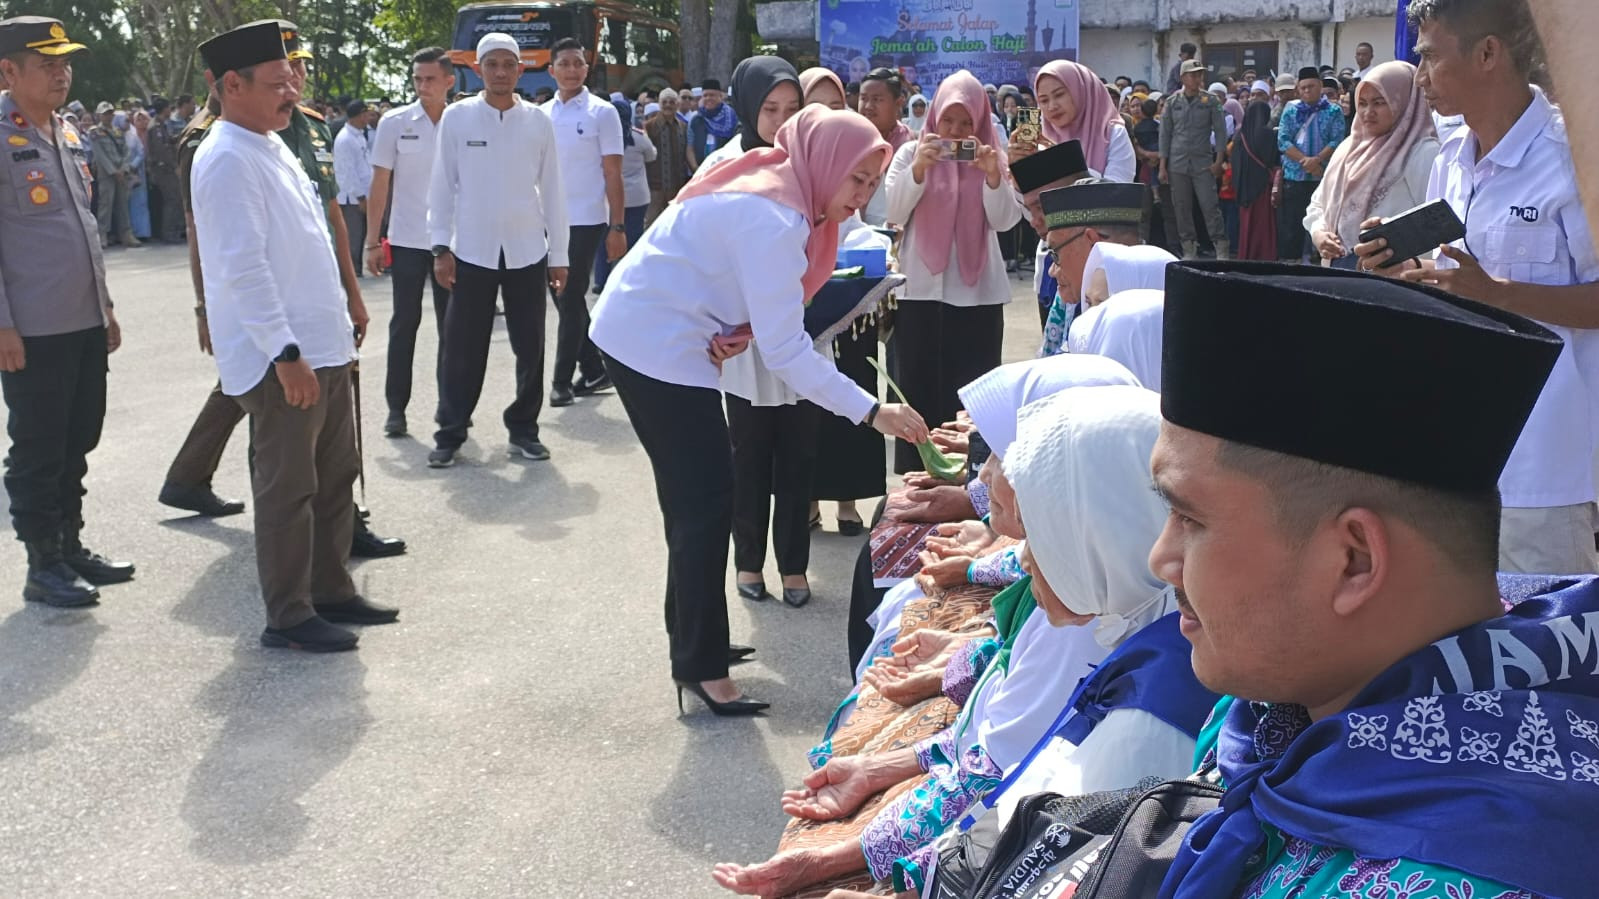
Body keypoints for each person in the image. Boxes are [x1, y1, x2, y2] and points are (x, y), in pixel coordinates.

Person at [1134, 259, 1597, 899]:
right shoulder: (1279, 704)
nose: (1161, 558)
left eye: (1189, 517)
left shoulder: (1477, 866)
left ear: (1353, 561)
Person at [712, 384, 1216, 899]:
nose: (1017, 559)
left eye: (1040, 536)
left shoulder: (1150, 697)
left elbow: (1040, 849)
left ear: (1101, 535)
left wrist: (855, 865)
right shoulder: (1134, 625)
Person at [589, 106, 929, 715]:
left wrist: (730, 322)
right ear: (824, 163)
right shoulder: (775, 217)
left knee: (700, 498)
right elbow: (786, 351)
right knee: (704, 502)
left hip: (667, 333)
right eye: (855, 179)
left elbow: (719, 276)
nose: (861, 196)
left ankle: (698, 641)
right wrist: (872, 411)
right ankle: (699, 664)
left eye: (872, 184)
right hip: (651, 341)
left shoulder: (781, 187)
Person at [1355, 0, 1599, 576]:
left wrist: (1497, 292)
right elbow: (1458, 287)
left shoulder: (1572, 163)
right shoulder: (1452, 161)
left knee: (1549, 650)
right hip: (1463, 451)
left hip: (1548, 468)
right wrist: (1404, 270)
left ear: (1488, 53)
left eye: (1432, 57)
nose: (1420, 77)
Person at [191, 20, 398, 652]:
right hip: (286, 357)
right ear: (232, 84)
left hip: (323, 342)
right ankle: (288, 614)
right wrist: (286, 355)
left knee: (335, 477)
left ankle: (331, 588)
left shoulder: (272, 141)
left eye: (294, 79)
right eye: (279, 83)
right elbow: (243, 268)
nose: (293, 91)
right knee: (288, 489)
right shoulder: (225, 156)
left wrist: (341, 315)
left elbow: (306, 245)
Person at [0, 16, 132, 608]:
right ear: (8, 71)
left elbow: (82, 230)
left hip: (81, 318)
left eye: (65, 62)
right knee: (39, 445)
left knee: (78, 435)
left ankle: (71, 545)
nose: (61, 73)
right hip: (31, 326)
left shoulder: (69, 131)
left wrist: (104, 307)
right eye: (47, 64)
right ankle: (42, 563)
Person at [698, 57, 817, 608]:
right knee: (747, 460)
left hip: (803, 329)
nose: (782, 121)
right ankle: (748, 563)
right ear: (748, 105)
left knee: (798, 458)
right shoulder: (724, 164)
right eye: (771, 109)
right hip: (742, 337)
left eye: (793, 109)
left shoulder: (812, 159)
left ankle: (795, 566)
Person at [427, 32, 569, 469]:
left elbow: (554, 191)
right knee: (462, 347)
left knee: (530, 345)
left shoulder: (538, 121)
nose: (502, 72)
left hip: (528, 250)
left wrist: (559, 254)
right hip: (471, 250)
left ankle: (524, 428)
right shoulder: (458, 118)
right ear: (477, 69)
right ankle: (451, 431)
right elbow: (441, 186)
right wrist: (439, 247)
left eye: (509, 64)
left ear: (521, 69)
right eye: (493, 65)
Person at [884, 71, 1021, 474]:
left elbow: (1006, 221)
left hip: (977, 295)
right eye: (948, 122)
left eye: (966, 124)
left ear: (980, 122)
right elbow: (893, 211)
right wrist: (920, 171)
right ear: (934, 119)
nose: (956, 132)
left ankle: (970, 479)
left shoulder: (991, 157)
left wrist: (994, 176)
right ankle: (916, 477)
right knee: (917, 389)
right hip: (921, 294)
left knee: (974, 395)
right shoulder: (910, 154)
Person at [801, 63, 879, 537]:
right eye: (817, 107)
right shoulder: (787, 169)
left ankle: (847, 498)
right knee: (805, 406)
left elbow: (859, 221)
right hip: (804, 311)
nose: (829, 117)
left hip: (851, 304)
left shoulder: (858, 151)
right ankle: (806, 497)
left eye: (837, 107)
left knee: (852, 398)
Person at [363, 47, 451, 438]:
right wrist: (371, 241)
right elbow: (380, 183)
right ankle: (396, 408)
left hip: (452, 241)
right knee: (405, 324)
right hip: (408, 239)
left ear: (449, 80)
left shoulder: (464, 121)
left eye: (430, 78)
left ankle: (451, 407)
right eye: (416, 78)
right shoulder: (394, 122)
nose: (422, 86)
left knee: (453, 329)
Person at [539, 37, 622, 407]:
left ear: (587, 69)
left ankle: (560, 382)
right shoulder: (539, 115)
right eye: (564, 63)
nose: (571, 70)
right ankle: (593, 364)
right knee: (564, 299)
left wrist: (617, 226)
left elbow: (613, 172)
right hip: (544, 219)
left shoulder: (602, 112)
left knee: (569, 294)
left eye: (578, 63)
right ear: (551, 69)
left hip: (586, 219)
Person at [1305, 61, 1438, 271]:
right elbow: (1318, 203)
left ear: (1405, 102)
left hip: (1394, 275)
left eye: (1379, 102)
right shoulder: (1348, 148)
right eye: (1363, 103)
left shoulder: (1423, 153)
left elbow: (1437, 224)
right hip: (1337, 265)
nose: (1368, 112)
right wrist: (1319, 233)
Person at [1036, 179, 1151, 357]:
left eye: (1056, 254)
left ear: (1093, 242)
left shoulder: (1152, 317)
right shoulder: (1067, 304)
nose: (1052, 271)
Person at [1159, 59, 1229, 260]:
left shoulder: (1211, 100)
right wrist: (1163, 166)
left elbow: (1221, 132)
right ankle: (1189, 248)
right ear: (1183, 77)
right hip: (1177, 163)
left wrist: (1219, 160)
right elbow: (1165, 134)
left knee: (1210, 205)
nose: (1197, 78)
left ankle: (1221, 247)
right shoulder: (1172, 103)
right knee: (1181, 207)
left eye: (1200, 74)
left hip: (1203, 163)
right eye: (1193, 74)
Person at [1277, 66, 1348, 261]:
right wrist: (1304, 160)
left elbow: (1337, 140)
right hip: (1295, 176)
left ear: (1320, 86)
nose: (1307, 91)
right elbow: (1283, 141)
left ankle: (1320, 263)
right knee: (1292, 225)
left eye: (1311, 86)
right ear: (1298, 89)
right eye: (1303, 87)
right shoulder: (1291, 110)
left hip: (1322, 177)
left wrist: (1317, 160)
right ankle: (1291, 265)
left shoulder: (1333, 110)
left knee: (1323, 224)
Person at [592, 98, 654, 294]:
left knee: (604, 241)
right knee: (633, 240)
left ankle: (601, 281)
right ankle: (630, 280)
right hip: (636, 197)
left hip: (610, 195)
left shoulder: (603, 137)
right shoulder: (639, 137)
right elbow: (652, 155)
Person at [856, 67, 914, 228]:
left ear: (898, 103)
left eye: (877, 99)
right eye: (863, 98)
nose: (868, 106)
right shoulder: (851, 140)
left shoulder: (908, 147)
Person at [1231, 90, 1280, 260]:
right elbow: (1275, 161)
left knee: (1247, 226)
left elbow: (1235, 166)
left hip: (1245, 191)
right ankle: (1265, 256)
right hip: (1263, 188)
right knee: (1264, 225)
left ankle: (1247, 255)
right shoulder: (1270, 135)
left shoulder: (1239, 137)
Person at [333, 99, 374, 277]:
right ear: (355, 117)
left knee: (361, 235)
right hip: (352, 198)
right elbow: (347, 173)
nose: (367, 118)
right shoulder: (345, 139)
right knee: (353, 236)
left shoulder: (358, 135)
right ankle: (349, 271)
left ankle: (356, 269)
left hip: (364, 193)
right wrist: (360, 197)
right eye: (364, 115)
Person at [89, 100, 138, 248]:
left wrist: (123, 168)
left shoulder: (118, 131)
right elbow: (99, 154)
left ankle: (126, 234)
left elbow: (126, 151)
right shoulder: (95, 132)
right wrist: (113, 170)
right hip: (106, 174)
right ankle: (102, 234)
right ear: (99, 116)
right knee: (105, 204)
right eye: (105, 114)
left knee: (122, 204)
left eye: (110, 113)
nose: (108, 117)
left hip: (121, 172)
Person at [644, 87, 687, 225]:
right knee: (651, 224)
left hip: (677, 185)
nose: (668, 105)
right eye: (664, 102)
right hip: (655, 186)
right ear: (659, 104)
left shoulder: (683, 126)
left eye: (672, 102)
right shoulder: (649, 126)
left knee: (674, 223)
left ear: (677, 104)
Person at [145, 98, 183, 242]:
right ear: (164, 109)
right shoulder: (155, 127)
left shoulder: (162, 125)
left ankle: (174, 231)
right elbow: (161, 150)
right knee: (172, 199)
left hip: (166, 168)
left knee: (174, 199)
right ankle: (169, 233)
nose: (170, 110)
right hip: (163, 169)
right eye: (168, 108)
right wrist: (174, 165)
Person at [687, 77, 735, 171]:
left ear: (720, 96)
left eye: (712, 95)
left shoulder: (732, 117)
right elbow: (690, 148)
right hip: (700, 172)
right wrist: (696, 169)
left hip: (725, 171)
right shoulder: (696, 119)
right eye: (705, 95)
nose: (708, 98)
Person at [125, 109, 151, 240]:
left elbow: (141, 152)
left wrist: (133, 165)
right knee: (131, 204)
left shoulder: (151, 133)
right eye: (138, 119)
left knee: (142, 203)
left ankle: (144, 232)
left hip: (138, 171)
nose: (141, 122)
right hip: (127, 173)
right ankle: (133, 232)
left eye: (144, 118)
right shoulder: (130, 134)